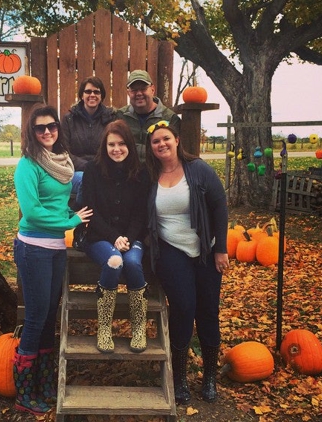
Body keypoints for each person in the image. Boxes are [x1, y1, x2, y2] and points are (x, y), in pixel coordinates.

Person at [13, 104, 93, 415]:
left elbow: (78, 181)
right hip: (33, 247)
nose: (47, 132)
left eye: (52, 126)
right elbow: (32, 212)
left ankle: (45, 383)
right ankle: (24, 391)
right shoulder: (28, 165)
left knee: (49, 317)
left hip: (56, 249)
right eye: (40, 128)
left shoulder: (62, 163)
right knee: (35, 318)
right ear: (31, 133)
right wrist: (70, 222)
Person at [145, 120, 229, 404]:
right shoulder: (150, 175)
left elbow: (220, 207)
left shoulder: (199, 170)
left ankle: (209, 378)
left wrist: (221, 249)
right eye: (156, 141)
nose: (162, 144)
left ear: (177, 140)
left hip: (206, 249)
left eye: (166, 139)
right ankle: (179, 378)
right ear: (151, 147)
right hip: (171, 250)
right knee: (183, 308)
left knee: (207, 311)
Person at [81, 119, 150, 354]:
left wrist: (127, 239)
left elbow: (140, 214)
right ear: (105, 146)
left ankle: (138, 327)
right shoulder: (92, 170)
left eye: (121, 144)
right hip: (98, 236)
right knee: (114, 261)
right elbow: (90, 211)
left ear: (129, 145)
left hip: (132, 236)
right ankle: (104, 328)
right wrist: (114, 238)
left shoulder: (141, 174)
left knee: (131, 261)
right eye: (111, 144)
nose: (116, 149)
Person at [61, 76, 116, 204]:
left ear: (101, 96)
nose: (92, 95)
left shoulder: (111, 118)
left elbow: (114, 147)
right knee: (84, 180)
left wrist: (99, 167)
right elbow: (64, 151)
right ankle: (83, 218)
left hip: (103, 170)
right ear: (81, 95)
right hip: (75, 171)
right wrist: (88, 167)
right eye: (88, 91)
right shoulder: (69, 119)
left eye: (96, 92)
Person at [116, 69, 181, 161]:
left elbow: (176, 151)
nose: (139, 93)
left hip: (158, 170)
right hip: (127, 171)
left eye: (143, 89)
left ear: (152, 89)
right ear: (128, 93)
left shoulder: (170, 118)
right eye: (134, 90)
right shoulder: (120, 116)